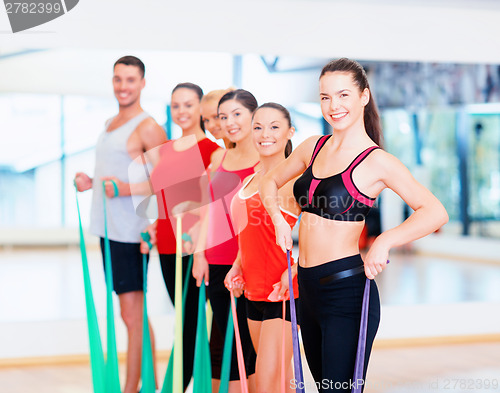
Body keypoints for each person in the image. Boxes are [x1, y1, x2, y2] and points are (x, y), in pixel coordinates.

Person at [260, 58, 449, 392]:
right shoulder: (312, 147)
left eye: (343, 95)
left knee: (337, 389)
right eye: (326, 97)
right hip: (307, 287)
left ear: (363, 96)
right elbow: (269, 182)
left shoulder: (377, 161)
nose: (334, 106)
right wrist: (278, 221)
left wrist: (384, 240)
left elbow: (434, 212)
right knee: (325, 387)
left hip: (345, 291)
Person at [74, 55, 166, 393]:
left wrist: (130, 195)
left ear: (142, 83)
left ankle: (131, 389)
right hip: (106, 229)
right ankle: (152, 386)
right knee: (132, 314)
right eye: (118, 79)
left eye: (130, 80)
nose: (123, 86)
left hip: (130, 232)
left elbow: (167, 181)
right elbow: (117, 173)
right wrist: (91, 180)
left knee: (132, 316)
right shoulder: (111, 122)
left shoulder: (148, 126)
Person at [141, 82, 221, 391]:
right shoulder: (167, 149)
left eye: (188, 105)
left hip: (193, 247)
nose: (182, 111)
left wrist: (197, 239)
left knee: (189, 320)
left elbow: (214, 204)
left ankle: (176, 386)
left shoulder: (213, 151)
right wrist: (152, 224)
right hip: (165, 242)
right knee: (183, 318)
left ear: (201, 108)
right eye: (176, 105)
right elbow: (163, 195)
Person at [225, 103, 300, 393]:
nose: (264, 134)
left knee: (266, 386)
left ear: (289, 132)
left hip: (284, 294)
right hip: (252, 293)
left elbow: (317, 236)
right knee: (280, 383)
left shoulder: (295, 182)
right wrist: (237, 265)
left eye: (274, 127)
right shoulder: (249, 181)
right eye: (258, 127)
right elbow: (249, 236)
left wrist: (293, 270)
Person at [193, 89, 259, 392]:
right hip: (216, 261)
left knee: (250, 346)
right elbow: (207, 208)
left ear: (252, 115)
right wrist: (199, 254)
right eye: (223, 117)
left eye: (237, 114)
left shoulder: (266, 157)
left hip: (249, 264)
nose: (229, 122)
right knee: (227, 339)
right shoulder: (220, 157)